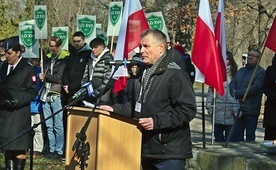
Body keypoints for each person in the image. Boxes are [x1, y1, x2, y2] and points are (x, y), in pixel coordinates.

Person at [100, 29, 197, 170]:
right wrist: (114, 109)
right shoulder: (141, 74)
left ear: (161, 48)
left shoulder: (175, 74)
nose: (141, 50)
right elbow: (135, 106)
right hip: (146, 149)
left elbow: (187, 109)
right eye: (140, 46)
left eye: (146, 46)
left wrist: (156, 121)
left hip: (169, 153)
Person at [0, 43, 37, 169]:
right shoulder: (3, 67)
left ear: (18, 53)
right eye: (5, 53)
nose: (7, 56)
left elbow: (32, 92)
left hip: (19, 114)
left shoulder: (27, 69)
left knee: (19, 147)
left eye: (9, 53)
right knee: (8, 146)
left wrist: (18, 101)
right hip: (5, 113)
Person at [39, 36, 69, 159]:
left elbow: (58, 78)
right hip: (45, 94)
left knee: (58, 124)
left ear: (59, 46)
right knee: (49, 124)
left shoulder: (64, 58)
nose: (53, 48)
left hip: (57, 94)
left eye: (55, 46)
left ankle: (59, 149)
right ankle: (51, 149)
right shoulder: (47, 59)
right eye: (51, 46)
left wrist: (45, 77)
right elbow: (45, 74)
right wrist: (43, 77)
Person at [229, 48, 265, 142]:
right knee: (236, 135)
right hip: (238, 107)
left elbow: (254, 88)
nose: (250, 57)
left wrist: (237, 93)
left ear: (258, 59)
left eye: (253, 56)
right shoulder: (241, 70)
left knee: (250, 136)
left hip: (251, 109)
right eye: (249, 55)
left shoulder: (261, 72)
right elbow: (232, 83)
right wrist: (233, 91)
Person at [206, 51, 238, 142]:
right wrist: (209, 106)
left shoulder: (235, 74)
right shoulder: (216, 73)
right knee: (218, 137)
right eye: (224, 59)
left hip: (230, 110)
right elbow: (210, 91)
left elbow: (238, 94)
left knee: (230, 139)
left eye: (227, 59)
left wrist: (237, 109)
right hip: (218, 110)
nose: (226, 61)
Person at [62, 31, 91, 105]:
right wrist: (65, 84)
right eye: (74, 41)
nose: (76, 43)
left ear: (84, 41)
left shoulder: (89, 54)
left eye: (78, 41)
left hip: (82, 89)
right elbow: (66, 70)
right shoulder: (71, 54)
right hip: (70, 90)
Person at [83, 37, 113, 105]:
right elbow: (85, 76)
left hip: (102, 97)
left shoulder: (108, 59)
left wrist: (95, 93)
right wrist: (85, 90)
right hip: (89, 95)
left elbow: (107, 80)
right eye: (92, 47)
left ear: (102, 47)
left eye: (96, 47)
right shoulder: (90, 58)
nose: (93, 50)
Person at [29, 58, 44, 158]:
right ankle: (30, 147)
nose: (33, 61)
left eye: (35, 60)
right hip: (29, 104)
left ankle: (38, 149)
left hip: (38, 105)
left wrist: (42, 78)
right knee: (30, 128)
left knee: (38, 128)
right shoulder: (28, 71)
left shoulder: (41, 71)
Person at [262, 54, 276, 140]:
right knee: (270, 135)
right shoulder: (270, 70)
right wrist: (273, 96)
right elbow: (265, 86)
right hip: (272, 105)